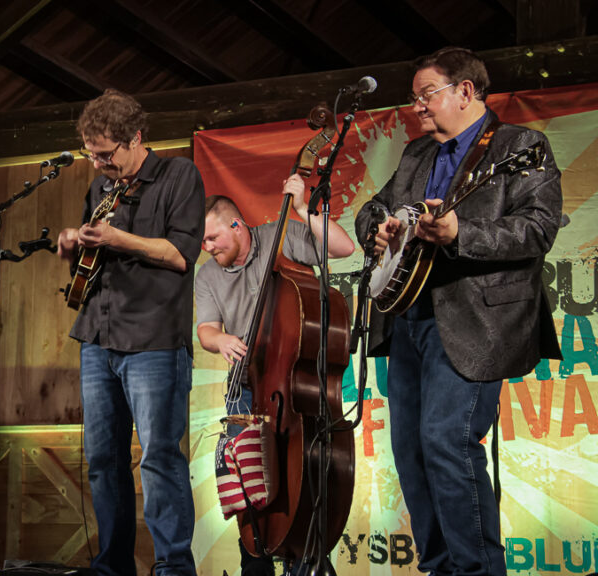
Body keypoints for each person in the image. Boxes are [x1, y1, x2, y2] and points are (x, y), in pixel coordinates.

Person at [355, 47, 562, 576]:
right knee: (411, 451)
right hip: (408, 320)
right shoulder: (416, 155)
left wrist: (460, 232)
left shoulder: (521, 146)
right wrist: (377, 229)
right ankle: (440, 567)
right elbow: (372, 208)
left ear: (465, 92)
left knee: (446, 441)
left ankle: (478, 571)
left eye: (427, 95)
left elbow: (538, 227)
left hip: (476, 322)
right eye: (414, 98)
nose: (417, 107)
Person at [56, 89, 204, 576]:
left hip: (154, 338)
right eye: (90, 153)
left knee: (160, 456)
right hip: (99, 334)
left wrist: (121, 238)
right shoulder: (101, 189)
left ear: (136, 138)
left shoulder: (178, 175)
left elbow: (182, 254)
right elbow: (92, 253)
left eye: (105, 153)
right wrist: (73, 243)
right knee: (103, 458)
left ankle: (173, 566)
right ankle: (112, 565)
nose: (98, 163)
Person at [196, 175, 354, 575]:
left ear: (237, 225)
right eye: (203, 242)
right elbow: (206, 330)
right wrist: (222, 341)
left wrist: (303, 209)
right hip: (244, 390)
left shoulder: (281, 236)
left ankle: (307, 562)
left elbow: (343, 247)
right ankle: (256, 562)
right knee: (249, 487)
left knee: (305, 480)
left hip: (292, 391)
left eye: (213, 238)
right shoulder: (207, 275)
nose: (208, 248)